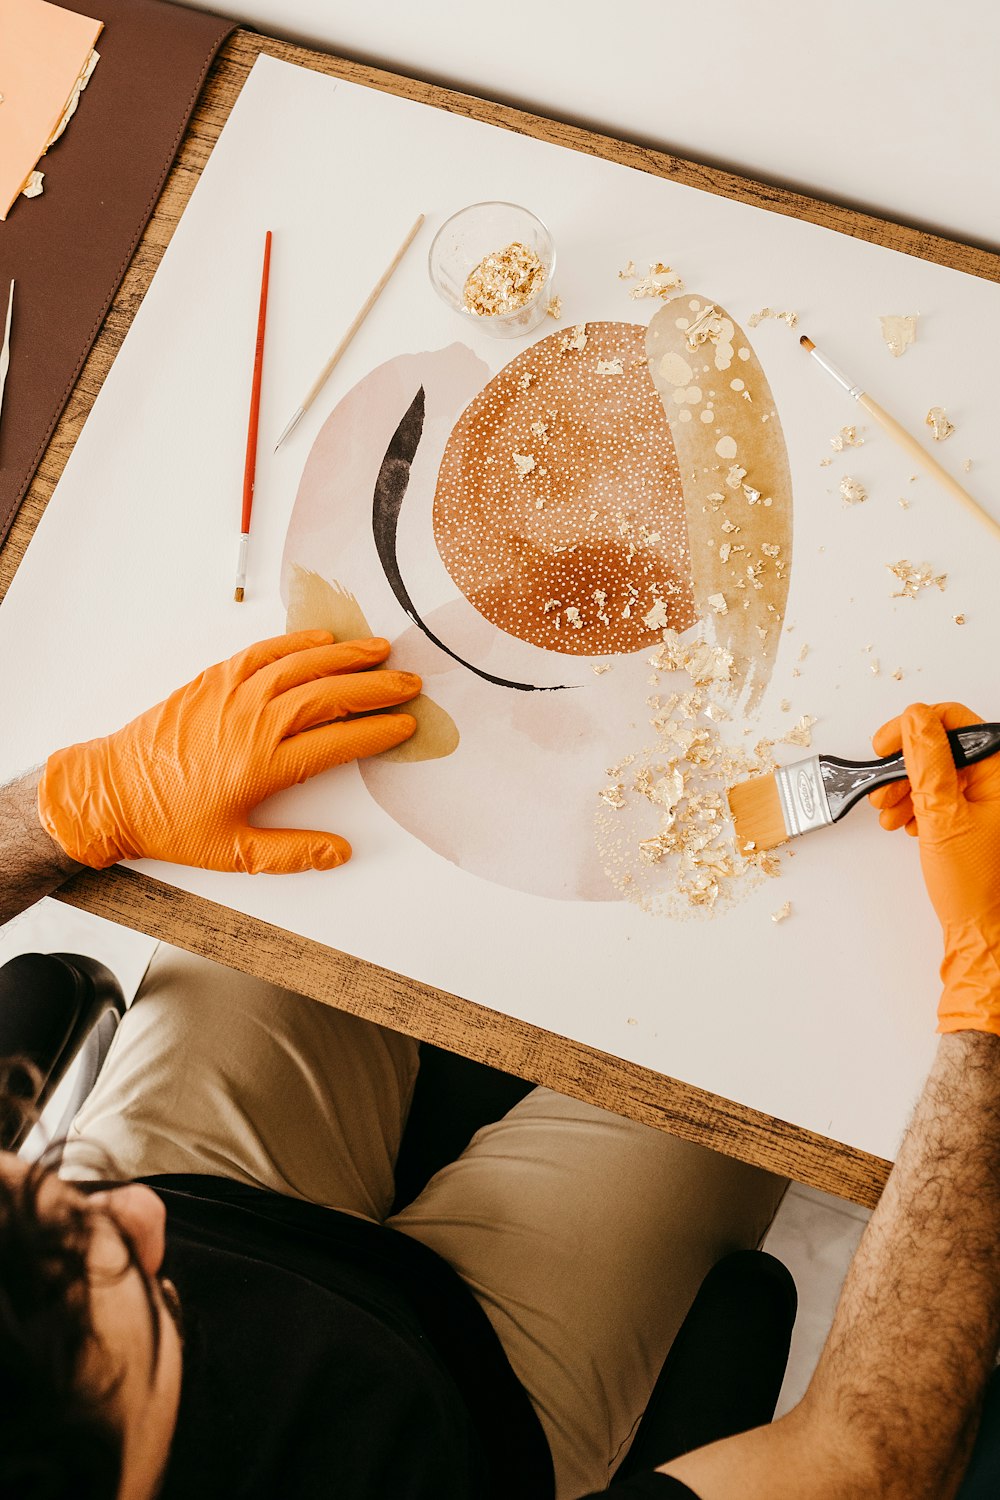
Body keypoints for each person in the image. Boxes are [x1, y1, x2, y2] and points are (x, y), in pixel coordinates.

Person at [2, 631, 999, 1499]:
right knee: (790, 985)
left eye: (39, 1191)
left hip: (215, 1182)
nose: (132, 1211)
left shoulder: (135, 1207)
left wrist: (61, 812)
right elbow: (863, 1463)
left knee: (359, 814)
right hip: (481, 1389)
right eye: (116, 1262)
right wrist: (989, 1014)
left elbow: (123, 1216)